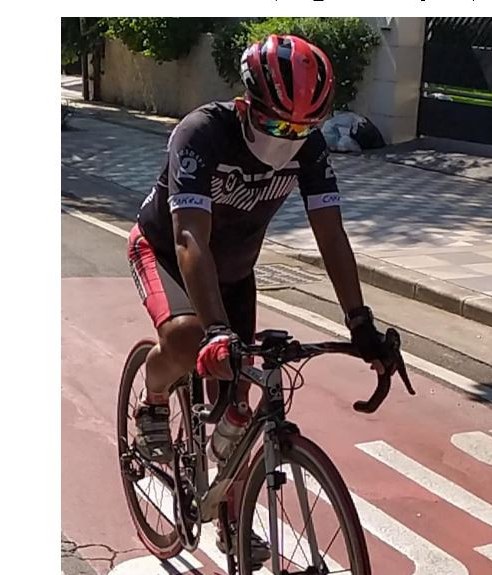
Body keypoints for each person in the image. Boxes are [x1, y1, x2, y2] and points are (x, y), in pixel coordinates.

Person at [126, 32, 387, 497]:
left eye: (305, 128)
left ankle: (231, 516)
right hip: (166, 250)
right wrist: (214, 331)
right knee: (187, 340)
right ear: (248, 104)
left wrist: (360, 322)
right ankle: (154, 393)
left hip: (234, 272)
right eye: (280, 125)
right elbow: (189, 237)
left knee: (240, 405)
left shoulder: (308, 148)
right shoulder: (201, 133)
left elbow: (331, 234)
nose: (289, 138)